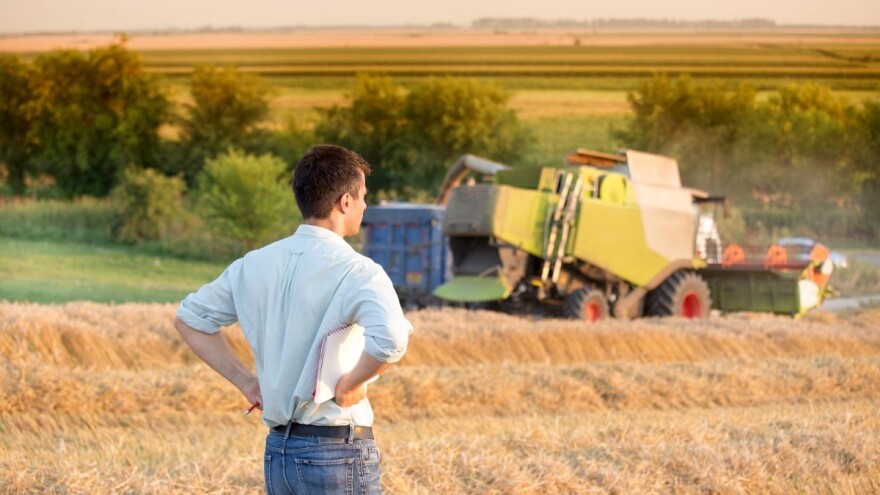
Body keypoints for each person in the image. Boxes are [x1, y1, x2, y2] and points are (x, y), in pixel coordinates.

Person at [173, 144, 412, 494]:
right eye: (363, 196)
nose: (364, 205)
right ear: (345, 202)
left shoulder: (253, 264)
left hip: (278, 453)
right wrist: (351, 384)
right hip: (336, 450)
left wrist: (246, 382)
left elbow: (189, 320)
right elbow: (391, 340)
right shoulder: (359, 271)